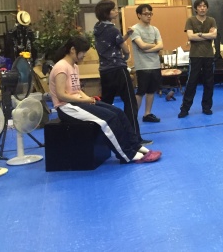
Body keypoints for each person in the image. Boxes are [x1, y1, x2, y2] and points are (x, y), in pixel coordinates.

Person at [48, 36, 161, 164]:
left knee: (118, 112)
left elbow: (77, 90)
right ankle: (128, 154)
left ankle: (135, 146)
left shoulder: (74, 66)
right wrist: (84, 101)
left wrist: (88, 99)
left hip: (77, 103)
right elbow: (61, 95)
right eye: (83, 52)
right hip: (66, 107)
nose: (84, 56)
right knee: (108, 119)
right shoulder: (61, 67)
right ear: (73, 50)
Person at [93, 0, 151, 146]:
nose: (116, 11)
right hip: (118, 70)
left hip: (105, 71)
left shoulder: (97, 28)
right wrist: (126, 56)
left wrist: (126, 35)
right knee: (130, 103)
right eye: (113, 10)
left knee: (106, 103)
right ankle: (134, 138)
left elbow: (113, 43)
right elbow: (124, 49)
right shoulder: (112, 29)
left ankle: (102, 138)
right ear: (107, 13)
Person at [178, 0, 217, 118]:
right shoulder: (190, 20)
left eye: (204, 6)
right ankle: (185, 109)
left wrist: (199, 34)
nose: (202, 8)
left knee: (209, 83)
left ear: (207, 8)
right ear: (196, 8)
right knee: (191, 83)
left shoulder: (211, 20)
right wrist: (207, 35)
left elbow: (214, 35)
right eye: (200, 6)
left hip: (208, 55)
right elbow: (190, 37)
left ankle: (206, 107)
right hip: (195, 56)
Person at [130, 4, 163, 123]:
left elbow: (161, 45)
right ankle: (133, 116)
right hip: (142, 66)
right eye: (145, 14)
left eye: (150, 14)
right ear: (139, 15)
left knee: (151, 91)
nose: (149, 16)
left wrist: (147, 49)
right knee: (141, 91)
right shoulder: (134, 29)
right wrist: (155, 46)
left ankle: (147, 114)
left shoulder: (155, 29)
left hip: (155, 64)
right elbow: (141, 45)